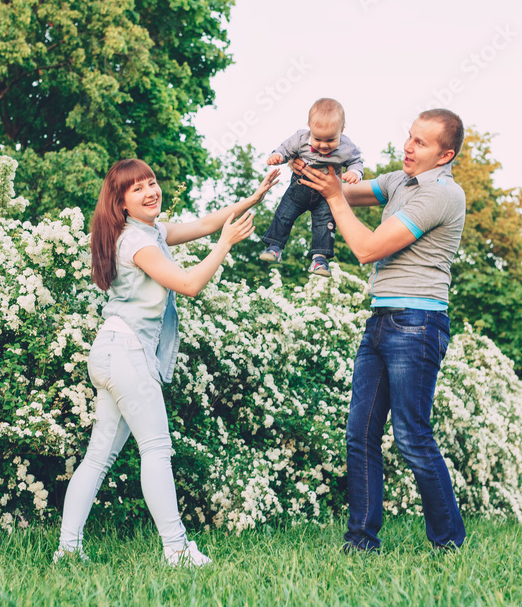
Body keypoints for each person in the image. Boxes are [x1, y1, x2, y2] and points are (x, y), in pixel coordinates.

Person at [54, 158, 280, 567]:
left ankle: (67, 550)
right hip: (126, 353)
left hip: (112, 350)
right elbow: (189, 284)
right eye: (137, 188)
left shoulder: (151, 232)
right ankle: (176, 549)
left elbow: (205, 223)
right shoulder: (137, 242)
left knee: (98, 458)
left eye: (152, 182)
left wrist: (254, 198)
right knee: (156, 449)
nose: (150, 191)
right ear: (122, 202)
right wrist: (225, 245)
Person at [296, 108, 467, 553]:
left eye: (421, 143)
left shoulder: (442, 195)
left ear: (445, 155)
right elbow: (343, 190)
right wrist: (311, 167)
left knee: (412, 437)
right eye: (409, 136)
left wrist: (333, 196)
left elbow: (368, 248)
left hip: (418, 322)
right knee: (361, 434)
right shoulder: (398, 182)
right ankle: (361, 541)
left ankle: (448, 542)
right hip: (380, 318)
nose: (408, 147)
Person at [259, 98, 364, 278]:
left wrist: (354, 173)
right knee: (283, 215)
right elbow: (285, 149)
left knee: (325, 225)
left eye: (330, 140)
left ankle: (319, 259)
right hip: (298, 189)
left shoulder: (347, 147)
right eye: (317, 139)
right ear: (309, 127)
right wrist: (278, 156)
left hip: (325, 195)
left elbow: (356, 161)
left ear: (342, 130)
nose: (323, 145)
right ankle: (274, 247)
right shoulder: (300, 138)